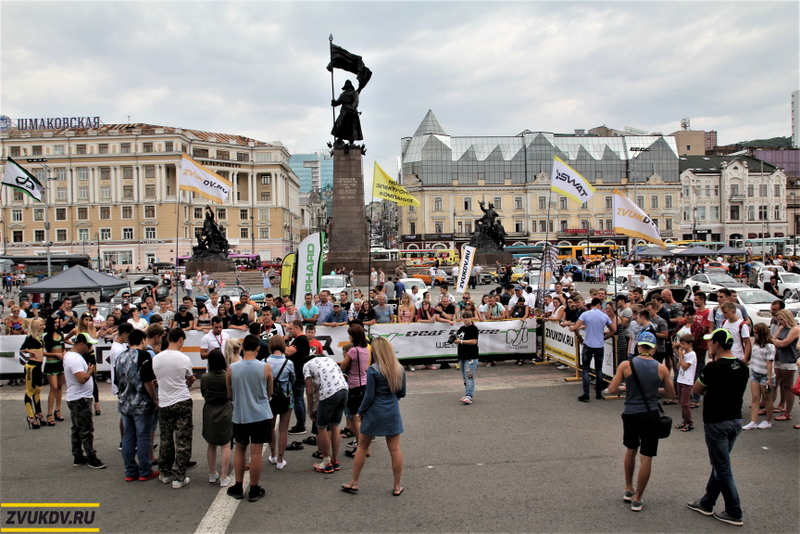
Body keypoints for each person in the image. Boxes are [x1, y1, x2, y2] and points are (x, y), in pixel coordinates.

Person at [687, 328, 749, 526]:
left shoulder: (713, 367)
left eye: (711, 342)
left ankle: (734, 510)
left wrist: (711, 391)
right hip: (735, 419)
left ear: (717, 344)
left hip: (716, 421)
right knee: (720, 463)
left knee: (722, 467)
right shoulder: (742, 366)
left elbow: (697, 389)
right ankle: (707, 502)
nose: (709, 345)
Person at [607, 331, 675, 512]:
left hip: (630, 413)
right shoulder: (661, 368)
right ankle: (638, 498)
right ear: (654, 349)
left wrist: (625, 388)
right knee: (647, 456)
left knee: (631, 449)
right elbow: (671, 394)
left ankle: (628, 488)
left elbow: (612, 389)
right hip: (650, 414)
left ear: (638, 346)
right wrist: (655, 390)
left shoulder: (626, 365)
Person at [341, 337, 406, 496]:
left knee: (362, 447)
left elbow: (369, 396)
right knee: (395, 449)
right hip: (392, 409)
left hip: (375, 410)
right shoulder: (399, 368)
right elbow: (402, 393)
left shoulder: (373, 370)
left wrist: (361, 411)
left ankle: (354, 481)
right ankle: (397, 485)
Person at [226, 335, 273, 502]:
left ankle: (238, 486)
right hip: (261, 414)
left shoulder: (232, 368)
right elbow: (269, 392)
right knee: (256, 451)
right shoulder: (266, 367)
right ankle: (254, 488)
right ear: (258, 349)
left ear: (242, 348)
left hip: (241, 413)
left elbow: (230, 394)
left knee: (240, 448)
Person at [153, 328, 196, 489]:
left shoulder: (157, 358)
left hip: (164, 400)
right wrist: (189, 382)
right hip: (181, 399)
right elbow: (189, 378)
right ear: (180, 340)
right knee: (183, 439)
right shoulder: (184, 358)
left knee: (166, 438)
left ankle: (164, 472)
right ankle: (179, 475)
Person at [115, 329, 160, 482]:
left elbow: (117, 381)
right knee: (143, 437)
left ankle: (129, 470)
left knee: (128, 436)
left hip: (125, 400)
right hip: (141, 402)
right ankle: (145, 470)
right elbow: (147, 380)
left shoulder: (120, 356)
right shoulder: (144, 355)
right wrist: (154, 398)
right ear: (142, 340)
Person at [304, 343, 349, 474]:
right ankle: (335, 460)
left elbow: (309, 391)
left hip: (330, 393)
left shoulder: (307, 366)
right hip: (343, 390)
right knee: (335, 425)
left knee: (322, 426)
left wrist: (310, 410)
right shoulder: (329, 360)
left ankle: (326, 462)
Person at [63, 332, 106, 469]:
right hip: (80, 398)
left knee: (77, 428)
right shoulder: (74, 358)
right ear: (81, 344)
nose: (90, 348)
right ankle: (91, 457)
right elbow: (81, 379)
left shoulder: (71, 356)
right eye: (88, 345)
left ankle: (78, 455)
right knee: (86, 429)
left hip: (77, 397)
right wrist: (90, 372)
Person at [570, 298, 615, 402]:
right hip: (599, 345)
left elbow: (575, 328)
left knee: (586, 369)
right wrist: (604, 338)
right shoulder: (604, 316)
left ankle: (586, 394)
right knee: (599, 369)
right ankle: (598, 393)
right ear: (599, 305)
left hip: (588, 344)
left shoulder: (585, 314)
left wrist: (579, 337)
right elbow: (613, 330)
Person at [201, 349, 233, 487]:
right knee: (225, 444)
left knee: (211, 443)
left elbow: (203, 393)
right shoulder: (227, 376)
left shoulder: (204, 378)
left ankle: (212, 473)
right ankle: (224, 476)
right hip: (225, 409)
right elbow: (231, 393)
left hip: (209, 409)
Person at [340, 324, 371, 458]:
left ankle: (361, 447)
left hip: (354, 384)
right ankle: (365, 447)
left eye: (350, 335)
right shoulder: (365, 349)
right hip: (364, 383)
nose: (349, 337)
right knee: (361, 417)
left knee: (354, 417)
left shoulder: (353, 350)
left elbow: (343, 365)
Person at [266, 336, 295, 471]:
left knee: (271, 427)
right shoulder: (289, 363)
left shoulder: (264, 362)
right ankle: (280, 459)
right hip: (286, 397)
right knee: (283, 430)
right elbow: (293, 380)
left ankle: (272, 455)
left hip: (270, 397)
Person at [742, 323, 775, 430]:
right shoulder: (755, 344)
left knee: (767, 400)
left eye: (756, 333)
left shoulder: (770, 346)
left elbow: (769, 363)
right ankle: (753, 421)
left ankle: (768, 421)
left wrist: (769, 379)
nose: (755, 334)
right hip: (755, 374)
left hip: (765, 376)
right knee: (755, 398)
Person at [770, 309, 799, 422]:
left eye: (782, 319)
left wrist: (776, 342)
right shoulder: (782, 328)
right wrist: (779, 331)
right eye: (779, 320)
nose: (780, 322)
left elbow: (784, 343)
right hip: (778, 358)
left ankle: (788, 412)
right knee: (774, 383)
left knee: (787, 386)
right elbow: (773, 340)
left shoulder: (794, 329)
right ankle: (771, 406)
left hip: (789, 360)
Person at [284, 320, 310, 436]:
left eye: (290, 329)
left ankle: (300, 425)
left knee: (297, 400)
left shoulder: (300, 340)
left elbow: (289, 352)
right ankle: (301, 423)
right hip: (299, 372)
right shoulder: (301, 340)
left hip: (298, 373)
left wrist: (281, 343)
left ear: (297, 328)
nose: (289, 331)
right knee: (299, 399)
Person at [20, 318, 45, 429]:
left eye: (43, 325)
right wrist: (31, 352)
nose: (43, 327)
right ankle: (30, 416)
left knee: (38, 389)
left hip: (39, 366)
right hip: (32, 366)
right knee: (29, 391)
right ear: (35, 326)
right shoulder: (30, 337)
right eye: (41, 325)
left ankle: (38, 412)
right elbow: (22, 349)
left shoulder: (39, 337)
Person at [43, 315, 67, 426]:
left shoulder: (60, 334)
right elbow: (42, 352)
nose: (56, 324)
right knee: (53, 387)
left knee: (60, 387)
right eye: (54, 322)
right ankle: (49, 413)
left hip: (61, 364)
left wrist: (64, 353)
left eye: (58, 322)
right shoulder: (46, 336)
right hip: (51, 364)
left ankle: (58, 410)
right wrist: (56, 355)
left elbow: (63, 347)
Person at [454, 311, 480, 404]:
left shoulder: (474, 328)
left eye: (467, 317)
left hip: (471, 356)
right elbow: (457, 338)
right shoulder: (461, 329)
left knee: (469, 376)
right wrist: (453, 339)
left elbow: (473, 341)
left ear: (471, 318)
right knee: (464, 377)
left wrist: (460, 341)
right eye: (464, 317)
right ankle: (466, 394)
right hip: (462, 356)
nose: (465, 319)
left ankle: (469, 395)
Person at [675, 334, 697, 432]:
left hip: (687, 381)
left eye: (683, 344)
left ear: (689, 344)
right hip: (680, 379)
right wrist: (680, 357)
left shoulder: (692, 354)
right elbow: (678, 366)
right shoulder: (684, 354)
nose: (681, 346)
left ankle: (689, 422)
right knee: (681, 402)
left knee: (685, 403)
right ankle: (684, 421)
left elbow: (685, 367)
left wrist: (681, 357)